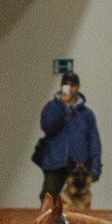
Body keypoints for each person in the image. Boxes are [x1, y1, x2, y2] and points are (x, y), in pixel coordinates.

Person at [34, 71, 101, 206]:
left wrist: (95, 169)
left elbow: (94, 142)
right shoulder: (51, 107)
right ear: (62, 87)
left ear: (78, 87)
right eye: (67, 84)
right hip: (54, 163)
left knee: (80, 205)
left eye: (74, 84)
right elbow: (48, 126)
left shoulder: (87, 114)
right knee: (48, 202)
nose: (71, 87)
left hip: (79, 167)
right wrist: (61, 106)